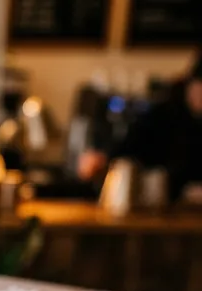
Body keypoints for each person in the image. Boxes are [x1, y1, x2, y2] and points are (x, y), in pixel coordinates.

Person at [78, 54, 202, 202]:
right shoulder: (163, 114)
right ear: (192, 84)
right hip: (160, 209)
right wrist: (103, 160)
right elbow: (127, 149)